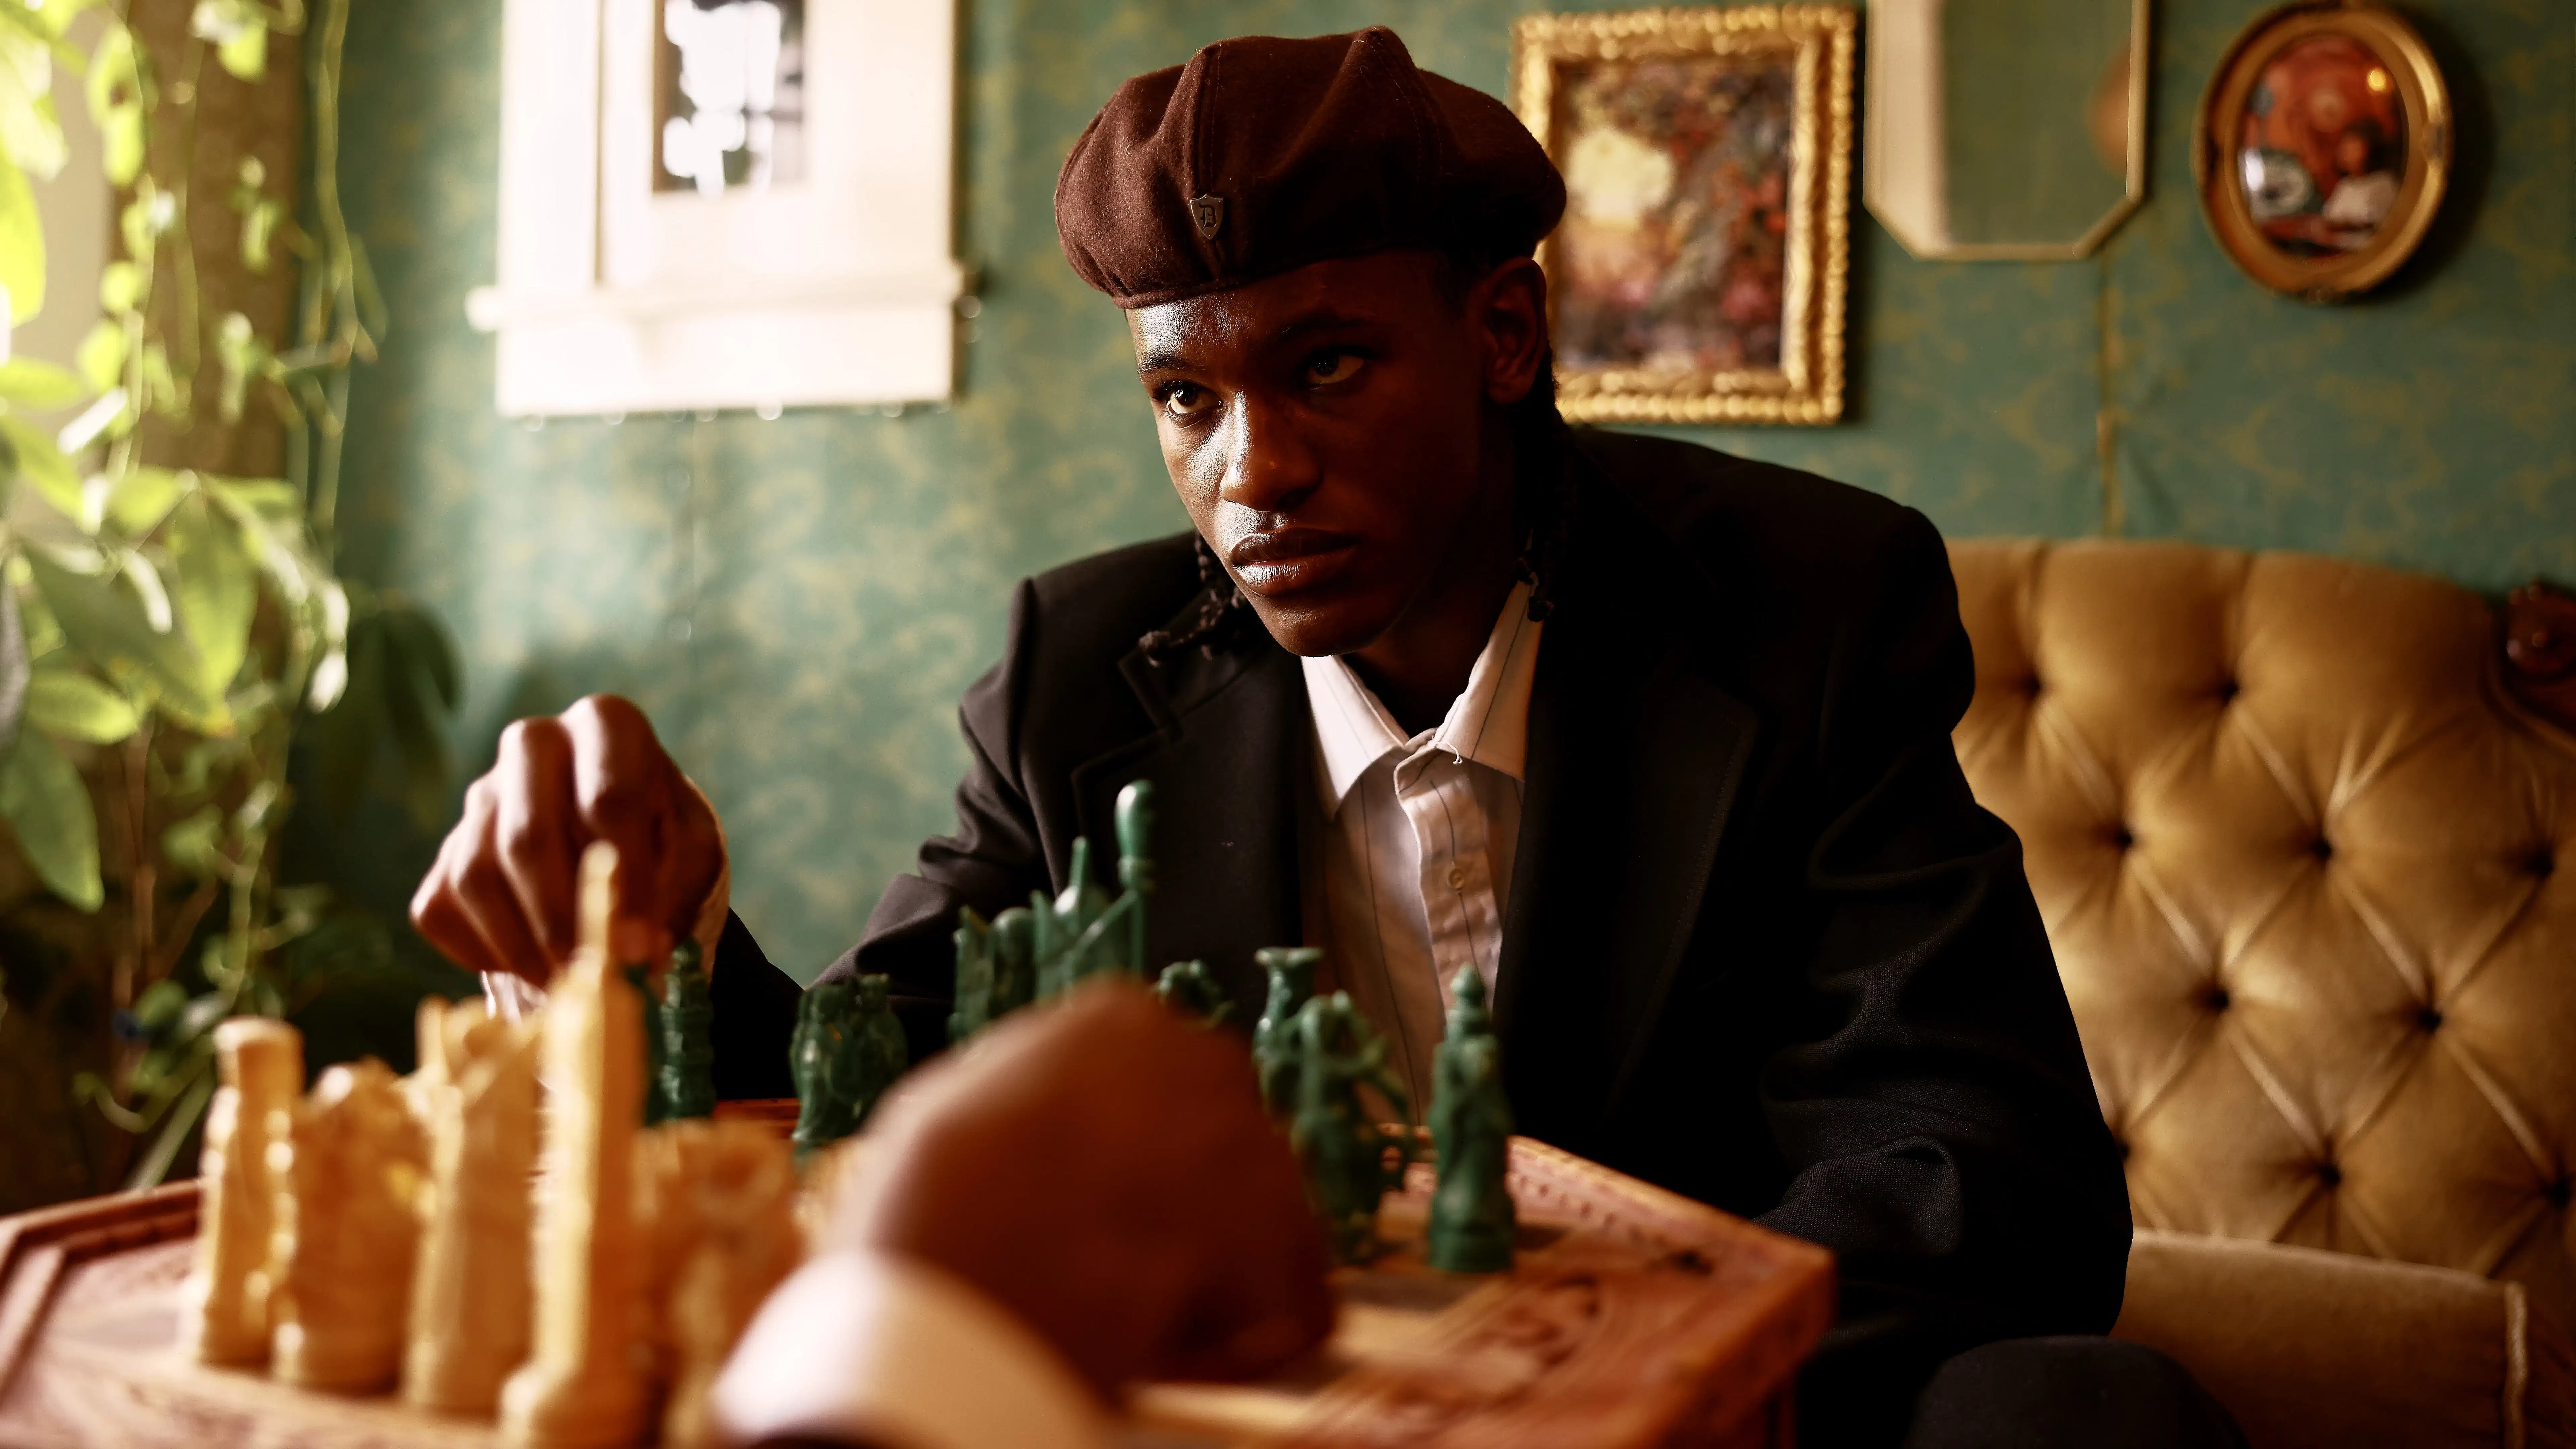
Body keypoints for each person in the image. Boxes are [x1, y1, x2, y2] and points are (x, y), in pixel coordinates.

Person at [413, 28, 2243, 1448]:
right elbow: (879, 1081)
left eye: (1329, 369)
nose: (1249, 477)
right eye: (1186, 397)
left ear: (1505, 334)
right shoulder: (1081, 670)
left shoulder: (1808, 605)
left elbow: (1974, 1172)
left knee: (2086, 1418)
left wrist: (1559, 1373)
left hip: (1686, 1414)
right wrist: (653, 937)